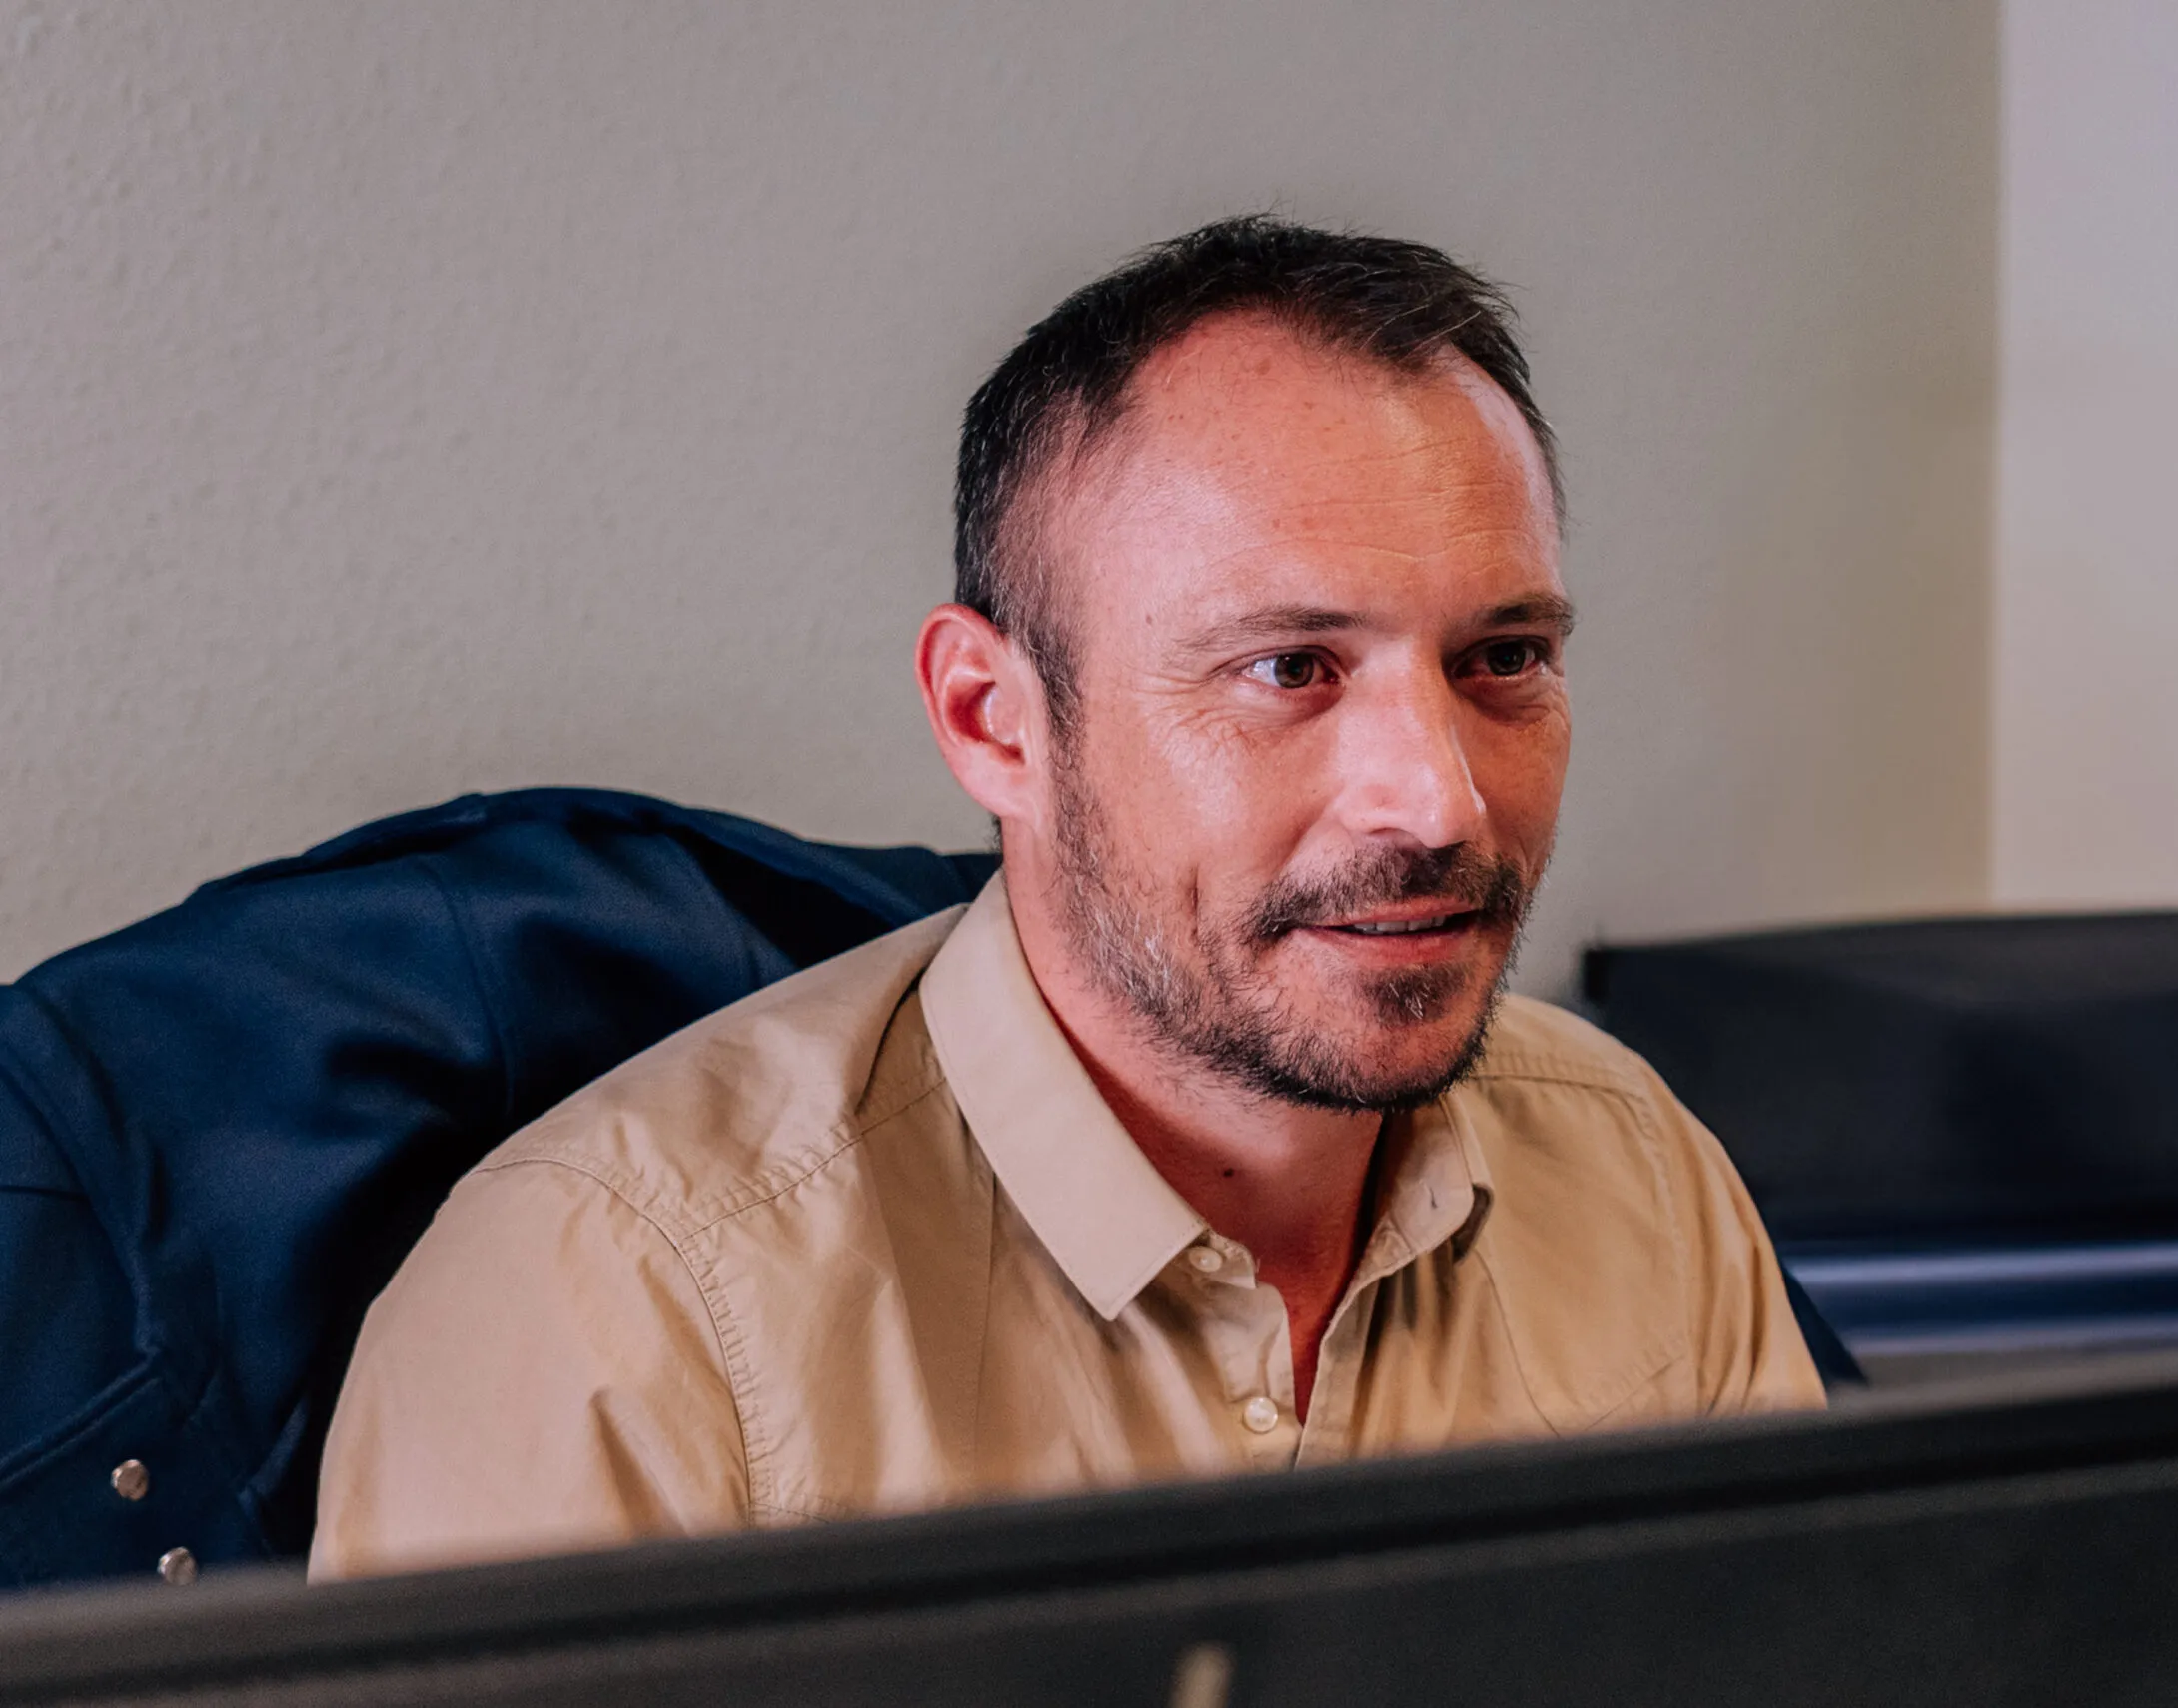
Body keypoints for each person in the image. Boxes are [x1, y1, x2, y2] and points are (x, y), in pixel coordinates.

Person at [310, 217, 1821, 1580]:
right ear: (995, 723)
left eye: (1502, 660)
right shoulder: (617, 1312)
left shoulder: (1636, 1171)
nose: (1438, 803)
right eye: (1289, 669)